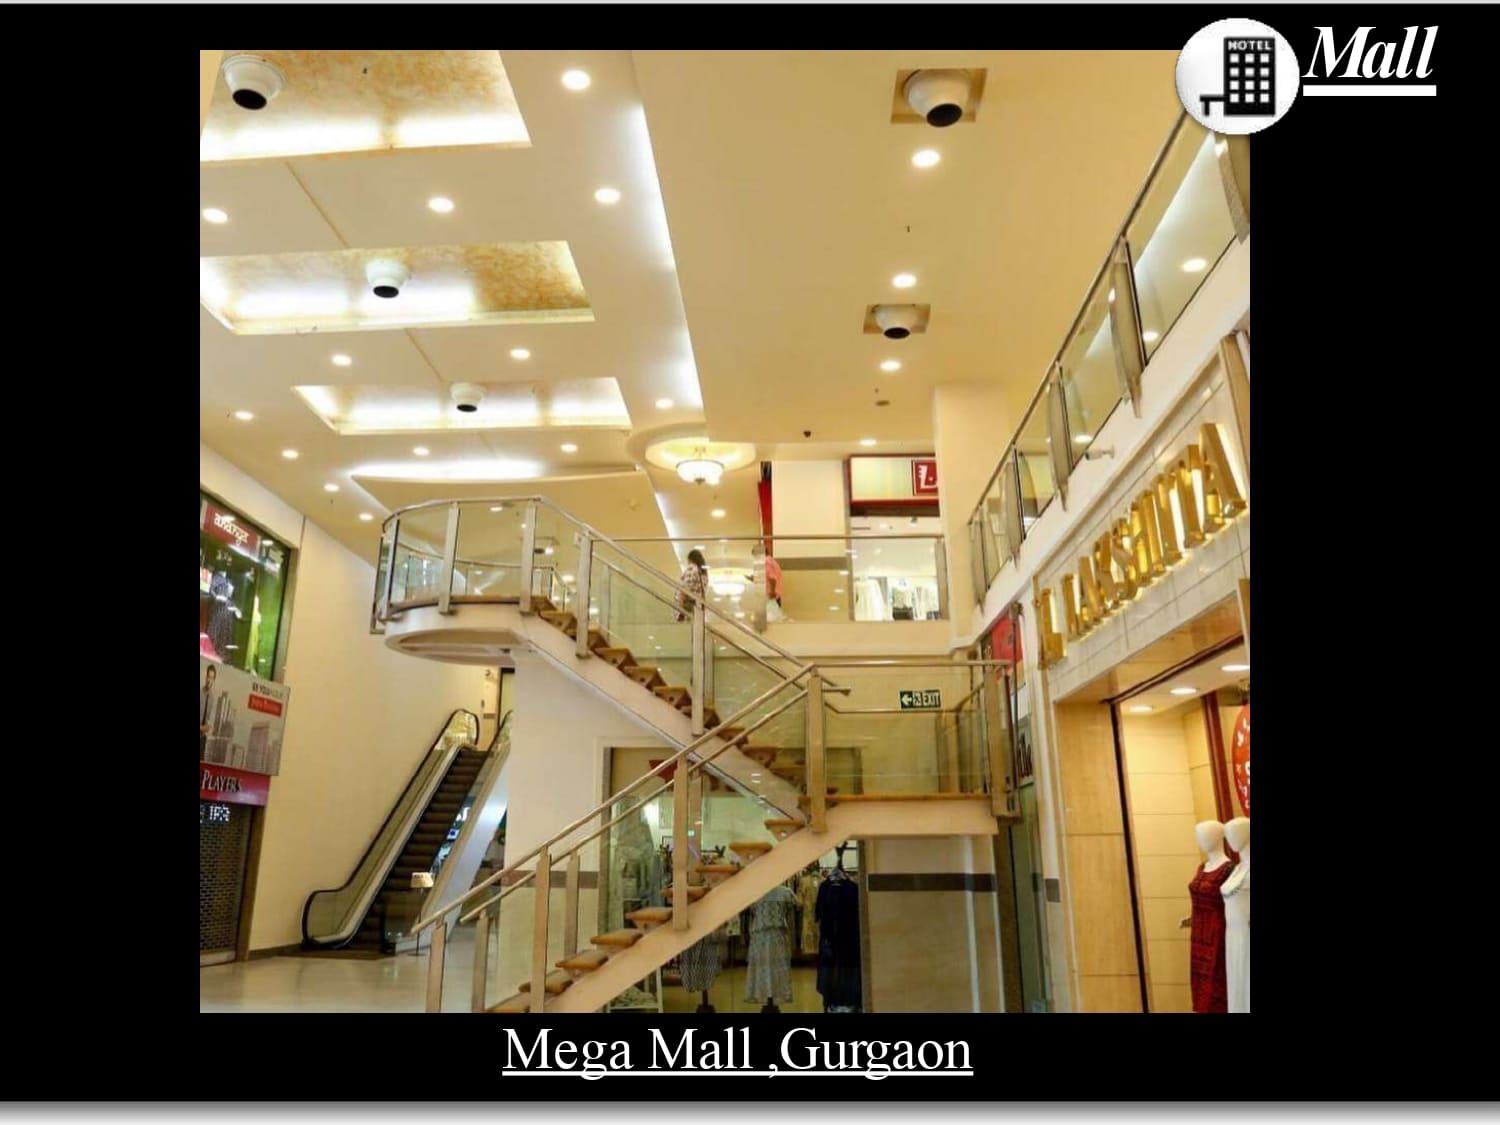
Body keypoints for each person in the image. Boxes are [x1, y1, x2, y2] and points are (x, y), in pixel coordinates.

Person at [677, 548, 707, 622]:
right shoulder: (703, 573)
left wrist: (680, 610)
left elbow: (684, 589)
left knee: (687, 626)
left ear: (690, 559)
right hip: (699, 606)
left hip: (688, 606)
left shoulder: (691, 570)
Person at [200, 663, 218, 760]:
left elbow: (210, 722)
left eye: (211, 678)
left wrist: (207, 728)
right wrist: (201, 728)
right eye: (208, 677)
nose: (209, 680)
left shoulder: (212, 699)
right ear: (205, 676)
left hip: (202, 739)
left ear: (214, 680)